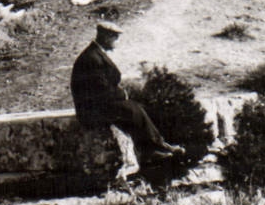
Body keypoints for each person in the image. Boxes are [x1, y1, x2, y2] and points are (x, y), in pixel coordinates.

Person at [70, 21, 183, 162]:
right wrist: (123, 94)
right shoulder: (92, 58)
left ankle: (154, 147)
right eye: (115, 38)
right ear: (106, 37)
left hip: (96, 106)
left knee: (135, 109)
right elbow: (101, 91)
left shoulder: (95, 54)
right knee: (133, 110)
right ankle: (154, 148)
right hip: (91, 111)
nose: (117, 42)